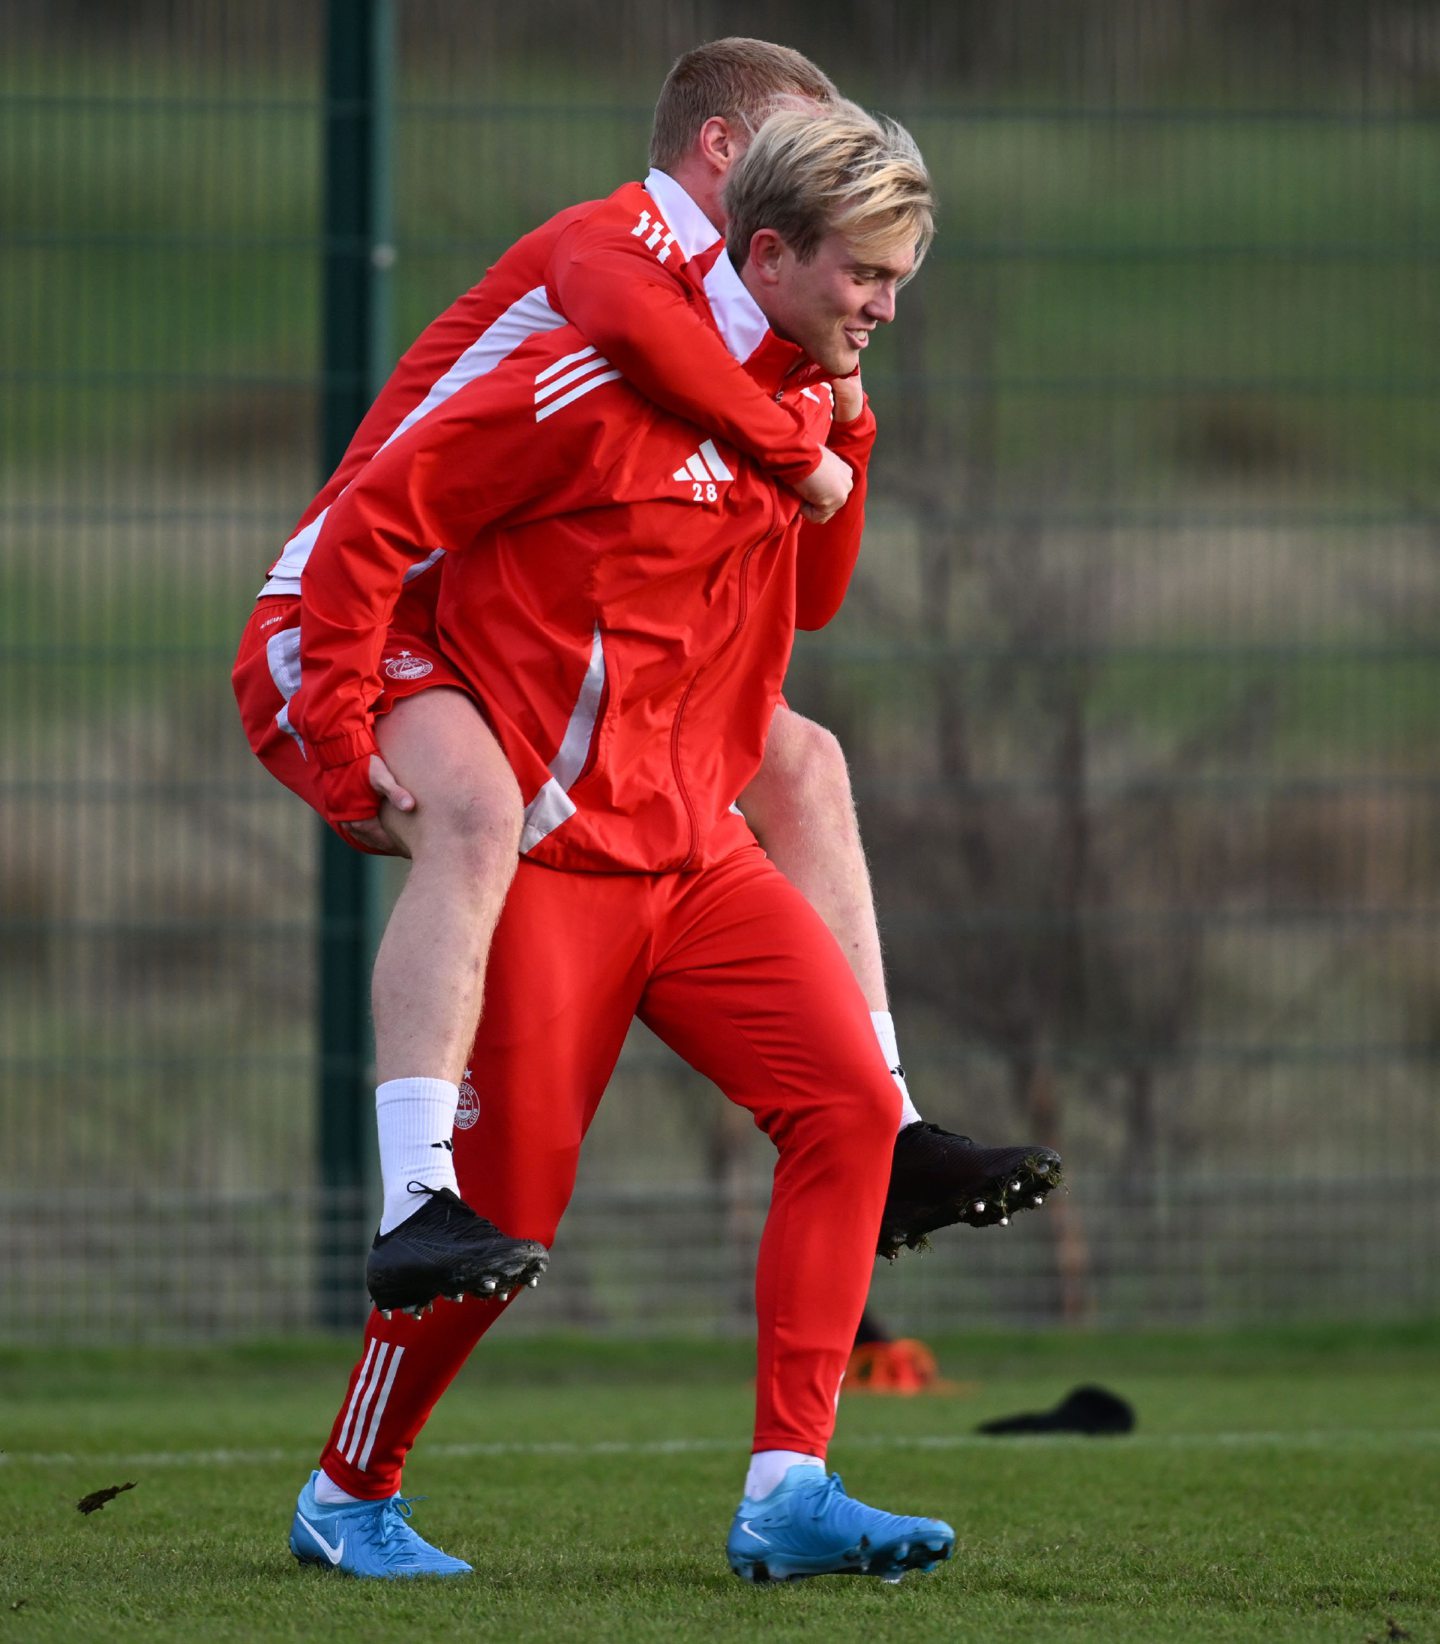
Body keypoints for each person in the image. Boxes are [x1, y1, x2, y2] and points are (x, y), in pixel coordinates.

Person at [232, 38, 1062, 1319]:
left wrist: (839, 418)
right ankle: (410, 1199)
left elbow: (808, 593)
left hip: (466, 624)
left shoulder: (752, 320)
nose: (831, 176)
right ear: (727, 156)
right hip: (345, 608)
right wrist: (802, 442)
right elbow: (635, 354)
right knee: (478, 815)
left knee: (803, 759)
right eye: (806, 142)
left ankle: (888, 1130)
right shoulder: (620, 243)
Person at [273, 100, 963, 1584]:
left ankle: (791, 1486)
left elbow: (818, 596)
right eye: (867, 276)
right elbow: (370, 525)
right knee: (505, 1215)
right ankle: (349, 1491)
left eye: (902, 278)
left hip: (695, 857)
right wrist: (341, 736)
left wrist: (844, 431)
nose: (887, 307)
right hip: (556, 860)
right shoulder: (589, 376)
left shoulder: (801, 387)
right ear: (766, 250)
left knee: (851, 1107)